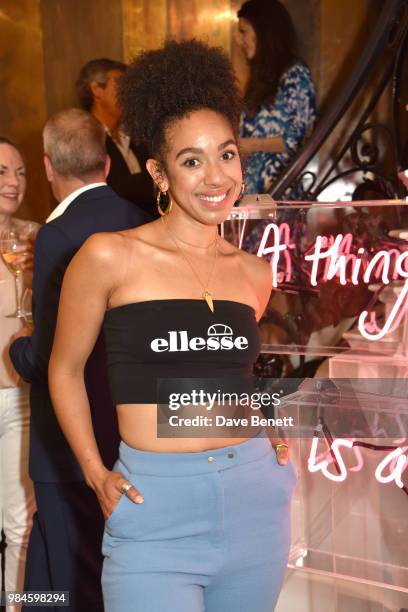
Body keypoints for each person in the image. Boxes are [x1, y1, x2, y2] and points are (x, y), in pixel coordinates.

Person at [48, 41, 297, 612]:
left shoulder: (255, 274)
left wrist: (272, 426)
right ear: (159, 173)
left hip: (257, 500)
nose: (217, 177)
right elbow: (63, 369)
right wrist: (93, 471)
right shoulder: (108, 256)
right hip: (155, 506)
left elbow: (232, 374)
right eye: (192, 160)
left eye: (227, 154)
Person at [9, 110, 149, 611]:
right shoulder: (142, 220)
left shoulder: (59, 234)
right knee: (95, 564)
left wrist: (16, 349)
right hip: (128, 426)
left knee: (63, 574)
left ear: (48, 167)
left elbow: (51, 354)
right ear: (107, 163)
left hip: (68, 440)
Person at [0, 137, 37, 610]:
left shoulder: (35, 236)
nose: (14, 182)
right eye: (2, 172)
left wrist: (39, 280)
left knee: (22, 523)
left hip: (17, 399)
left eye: (22, 171)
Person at [237, 0, 316, 196]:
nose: (241, 40)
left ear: (263, 32)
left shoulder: (296, 75)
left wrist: (248, 145)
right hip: (252, 198)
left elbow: (297, 140)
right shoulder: (261, 81)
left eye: (244, 31)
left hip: (281, 197)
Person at [76, 58, 154, 213]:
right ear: (96, 89)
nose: (128, 91)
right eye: (119, 83)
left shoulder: (136, 132)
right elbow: (109, 189)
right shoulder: (83, 136)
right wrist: (158, 180)